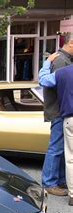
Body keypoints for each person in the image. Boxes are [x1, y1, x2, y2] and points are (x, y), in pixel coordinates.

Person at [39, 33, 73, 196]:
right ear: (71, 43)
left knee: (61, 149)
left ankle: (59, 181)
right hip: (60, 111)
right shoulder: (60, 60)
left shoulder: (62, 60)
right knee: (56, 148)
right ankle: (49, 183)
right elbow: (52, 84)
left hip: (62, 110)